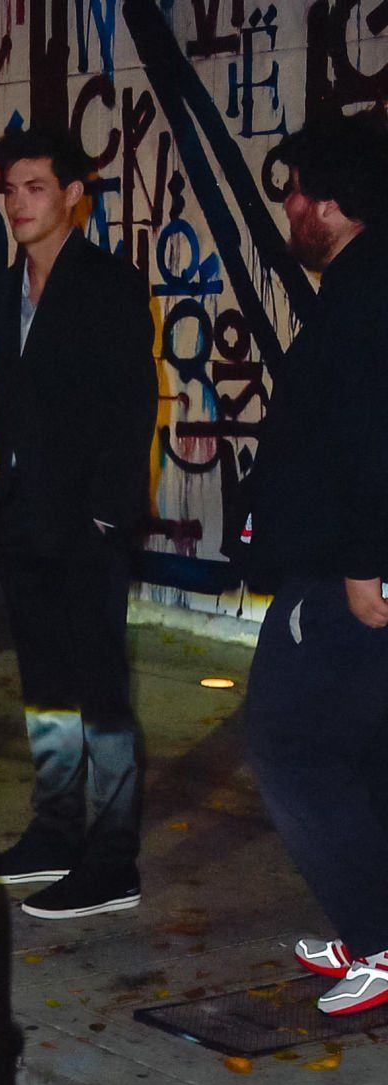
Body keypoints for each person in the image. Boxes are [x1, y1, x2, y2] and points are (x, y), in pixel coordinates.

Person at [0, 127, 157, 919]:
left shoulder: (108, 284)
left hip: (87, 525)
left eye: (36, 187)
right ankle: (55, 832)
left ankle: (112, 861)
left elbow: (133, 404)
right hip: (25, 521)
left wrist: (109, 516)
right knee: (46, 686)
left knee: (100, 693)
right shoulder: (5, 288)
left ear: (74, 195)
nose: (18, 203)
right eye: (10, 189)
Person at [242, 113, 388, 1018]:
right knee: (361, 748)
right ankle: (369, 920)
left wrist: (366, 565)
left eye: (296, 189)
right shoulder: (364, 283)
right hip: (344, 562)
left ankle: (377, 937)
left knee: (287, 740)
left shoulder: (367, 295)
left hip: (345, 572)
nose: (289, 206)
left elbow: (372, 436)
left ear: (330, 202)